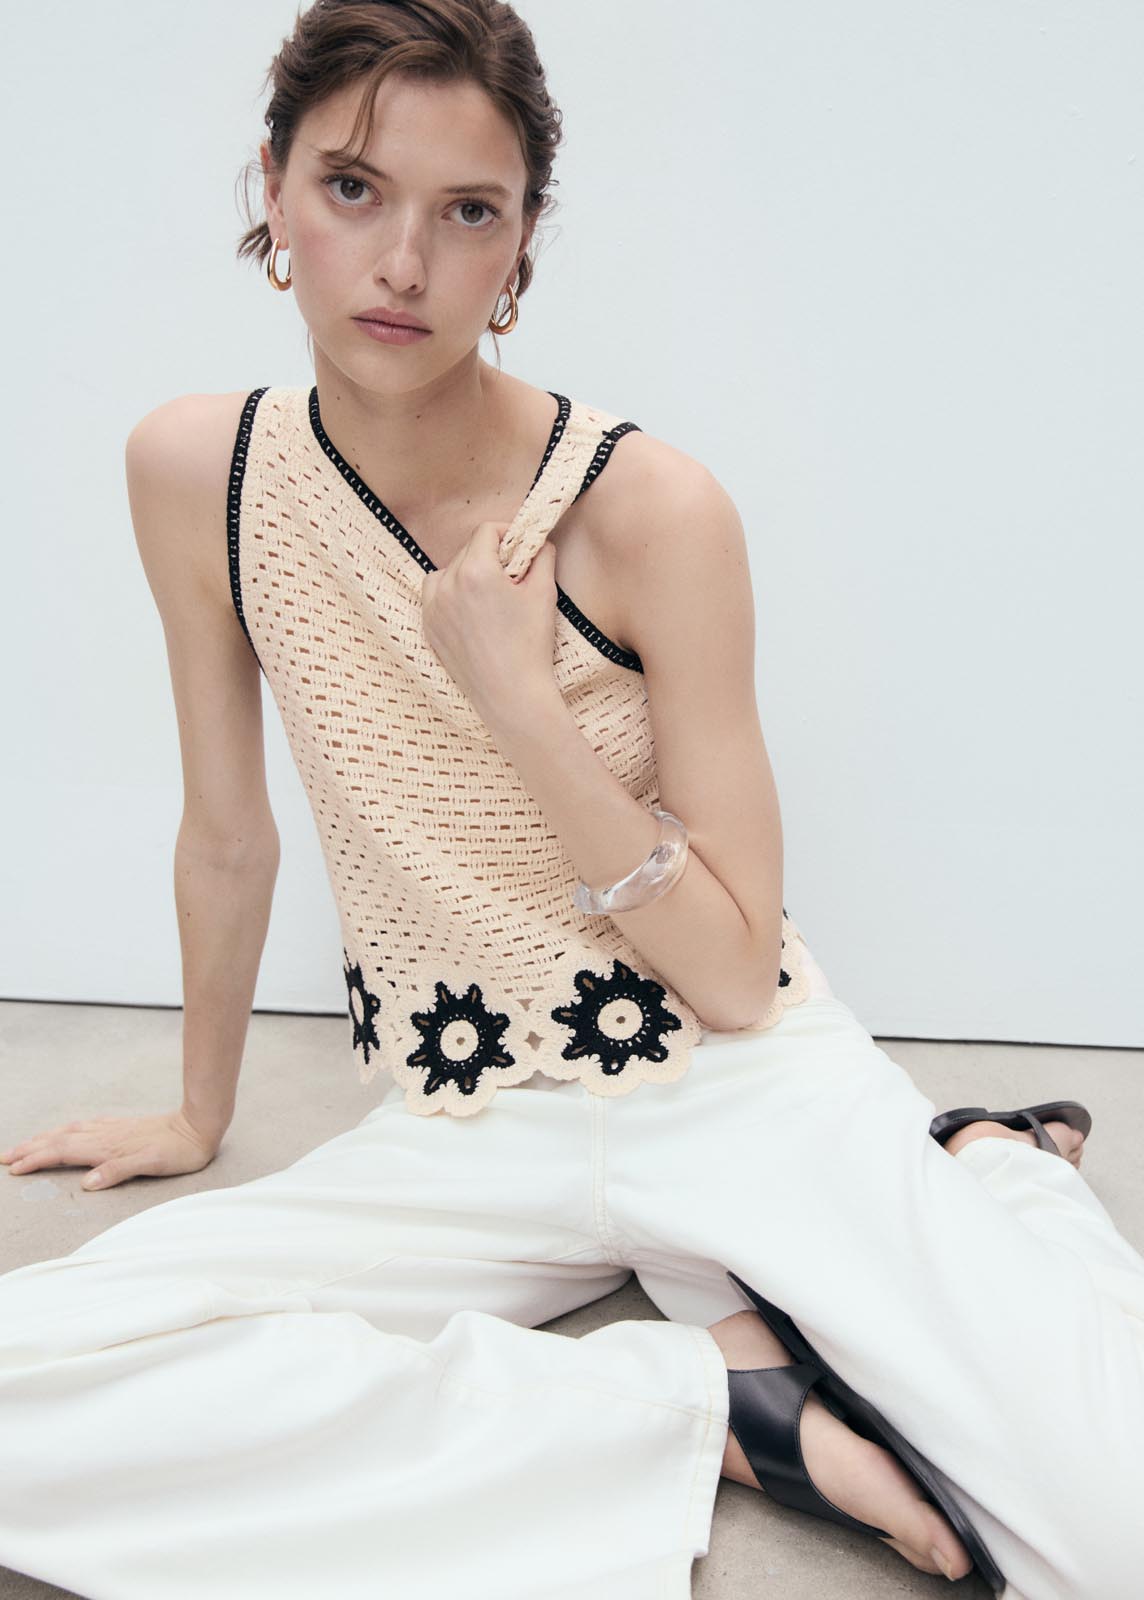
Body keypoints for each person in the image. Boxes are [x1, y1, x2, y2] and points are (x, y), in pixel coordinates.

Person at [1, 3, 1141, 1597]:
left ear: (523, 241)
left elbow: (733, 972)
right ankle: (701, 1406)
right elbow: (226, 832)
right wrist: (198, 1113)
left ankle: (992, 1170)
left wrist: (524, 708)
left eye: (469, 211)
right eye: (352, 188)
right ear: (271, 187)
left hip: (732, 1084)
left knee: (1117, 1529)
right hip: (467, 1118)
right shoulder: (203, 472)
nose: (405, 264)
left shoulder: (650, 507)